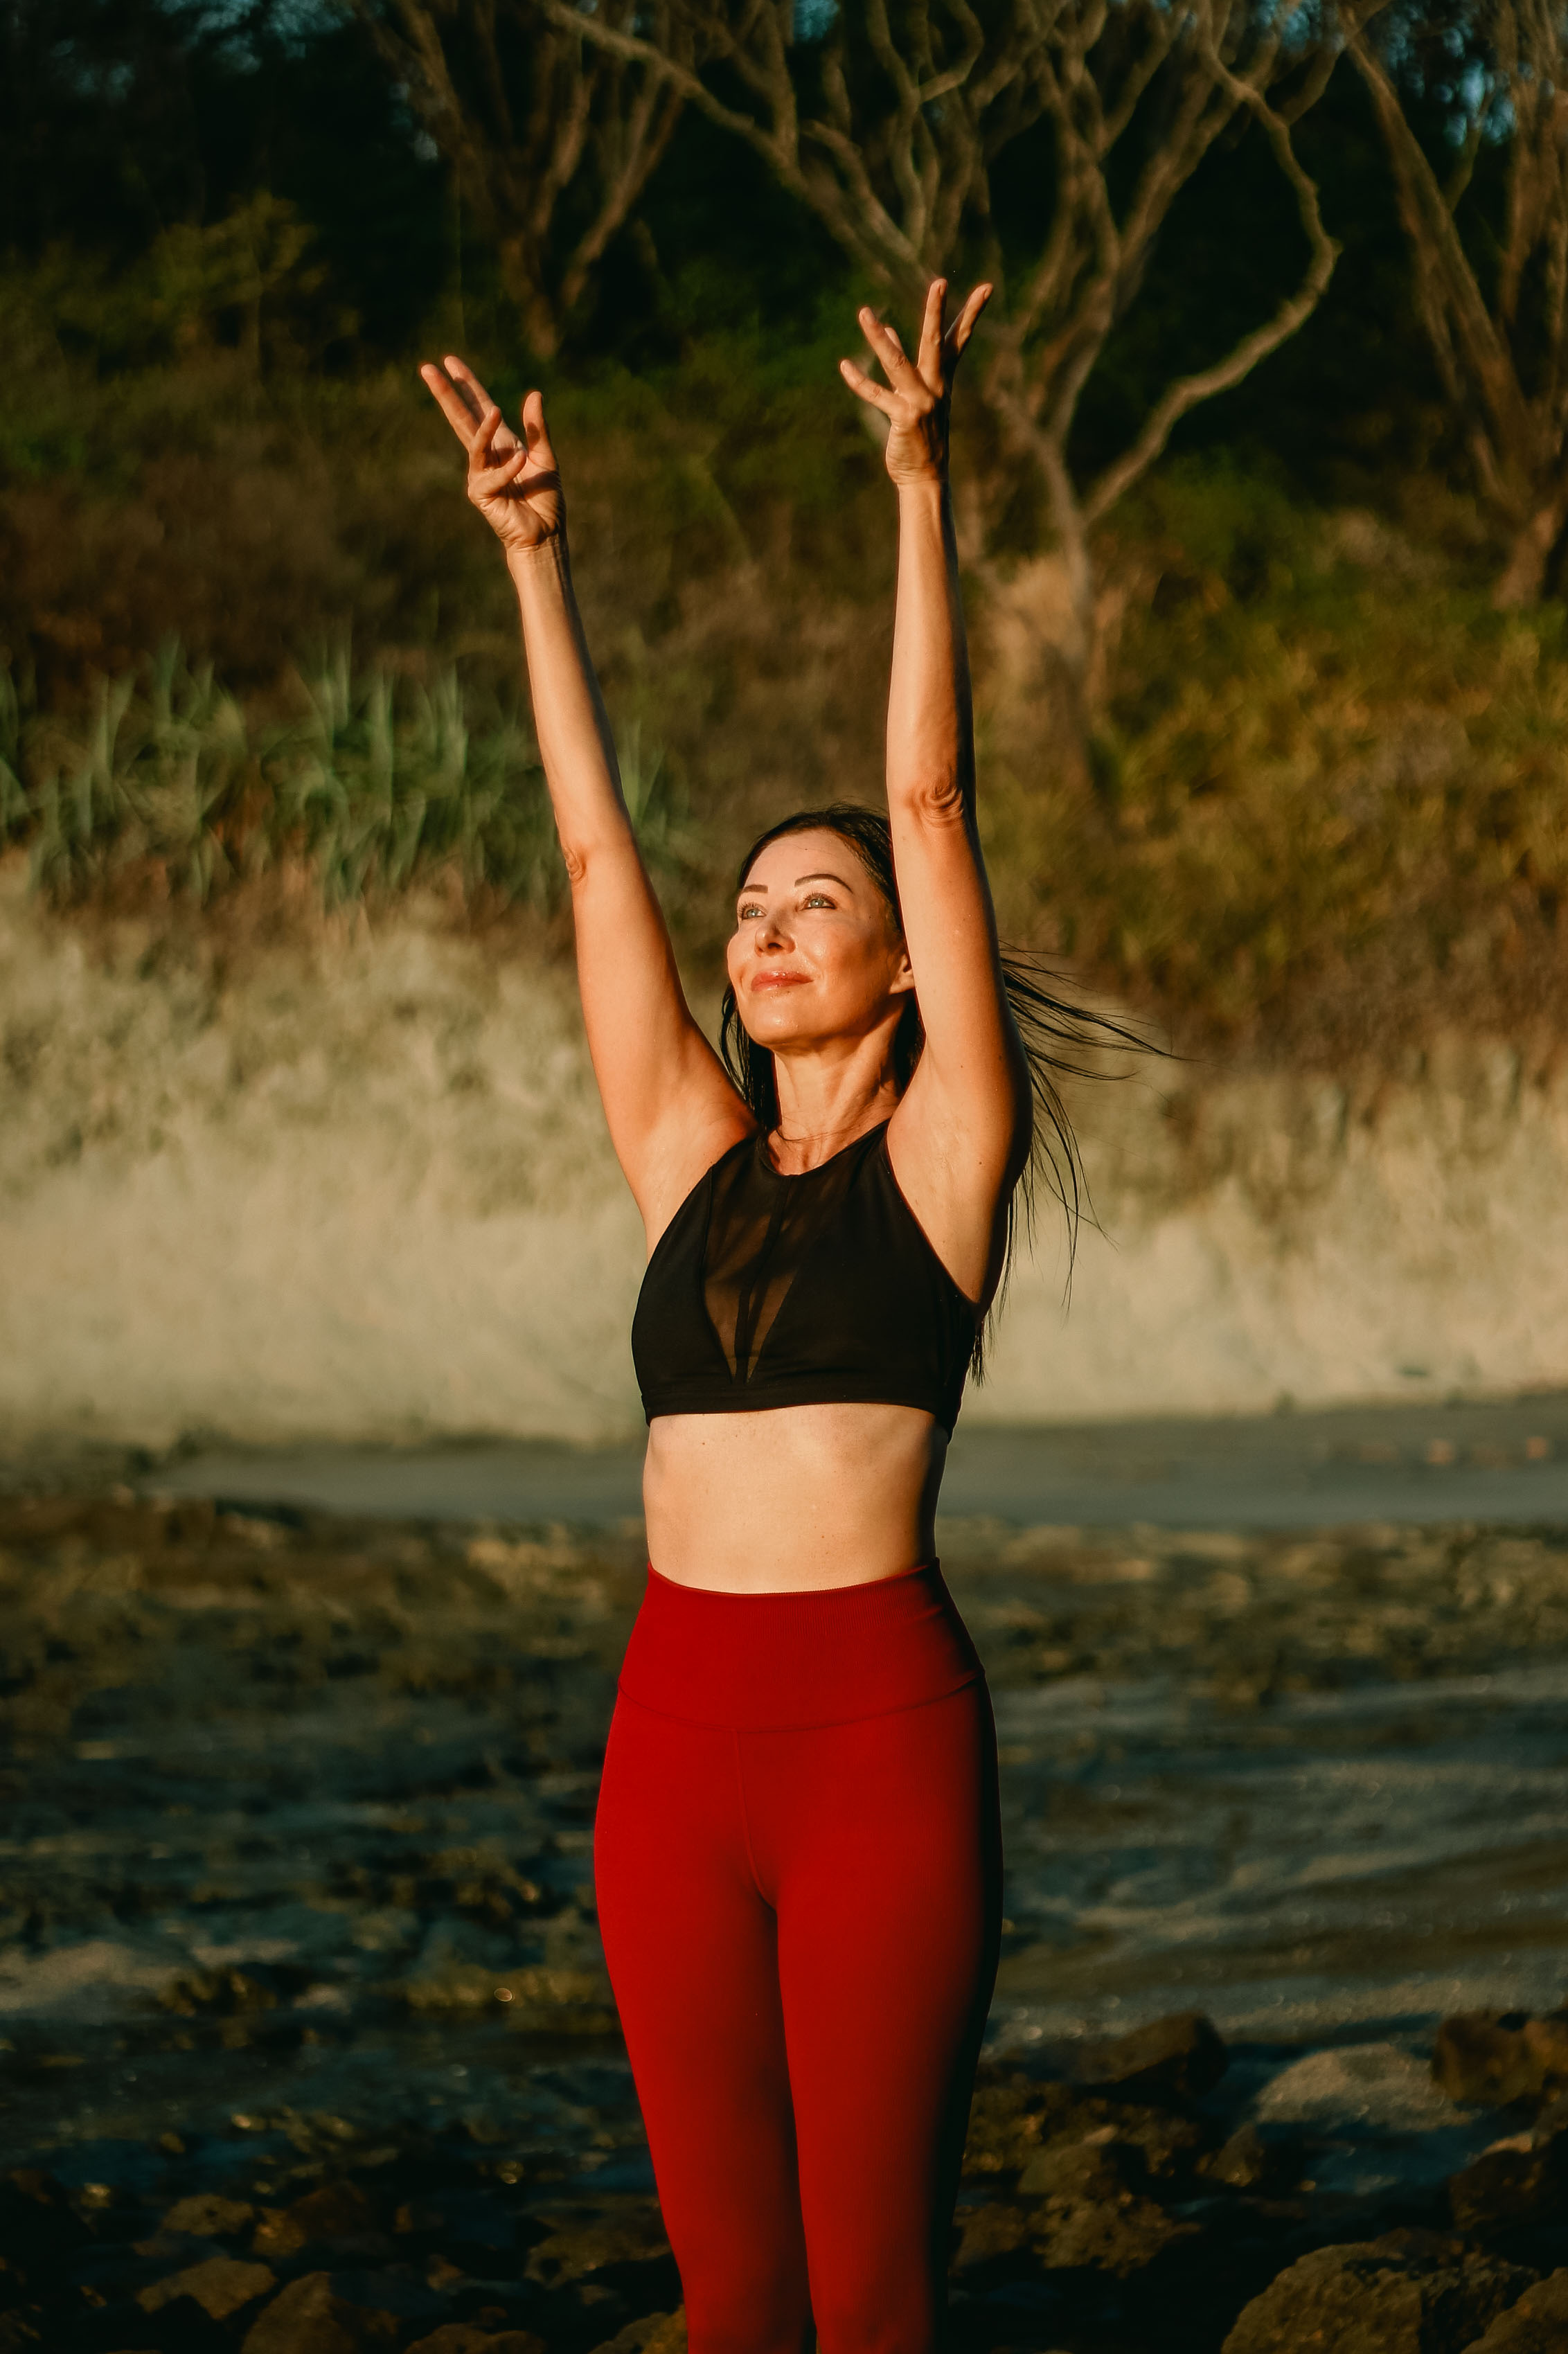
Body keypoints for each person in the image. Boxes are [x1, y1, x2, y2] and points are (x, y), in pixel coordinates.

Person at [420, 280, 1110, 2353]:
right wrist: (535, 564)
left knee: (874, 2302)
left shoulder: (948, 1165)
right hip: (669, 1758)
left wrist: (921, 491)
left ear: (903, 969)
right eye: (757, 909)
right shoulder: (689, 1168)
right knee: (730, 2299)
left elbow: (934, 805)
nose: (771, 926)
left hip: (876, 1750)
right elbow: (590, 850)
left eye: (820, 904)